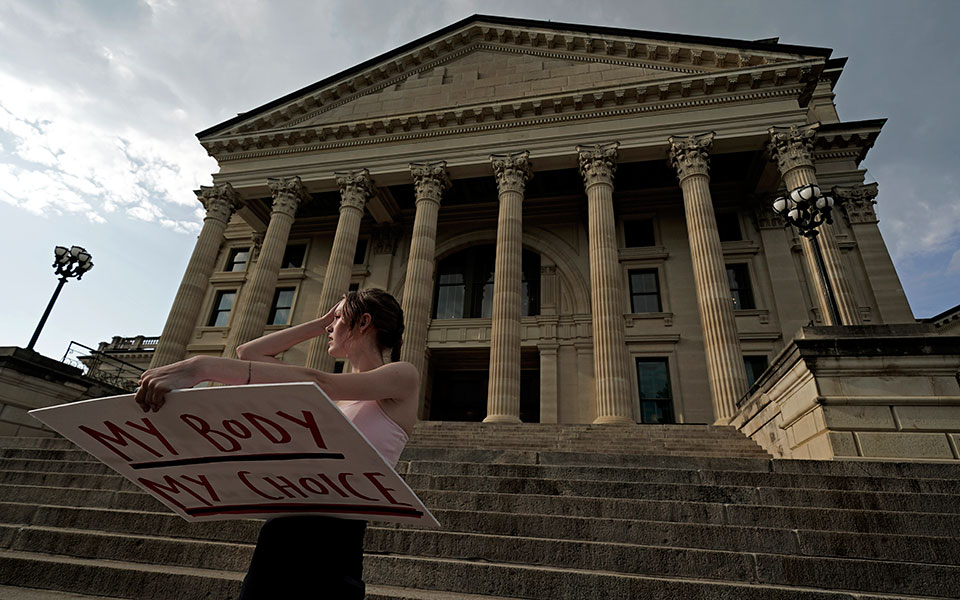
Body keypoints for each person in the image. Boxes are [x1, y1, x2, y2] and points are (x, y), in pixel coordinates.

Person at [134, 288, 418, 599]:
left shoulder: (402, 376)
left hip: (335, 539)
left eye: (336, 320)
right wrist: (322, 320)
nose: (328, 328)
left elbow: (322, 383)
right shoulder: (331, 396)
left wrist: (201, 366)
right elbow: (249, 353)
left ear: (363, 322)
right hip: (281, 528)